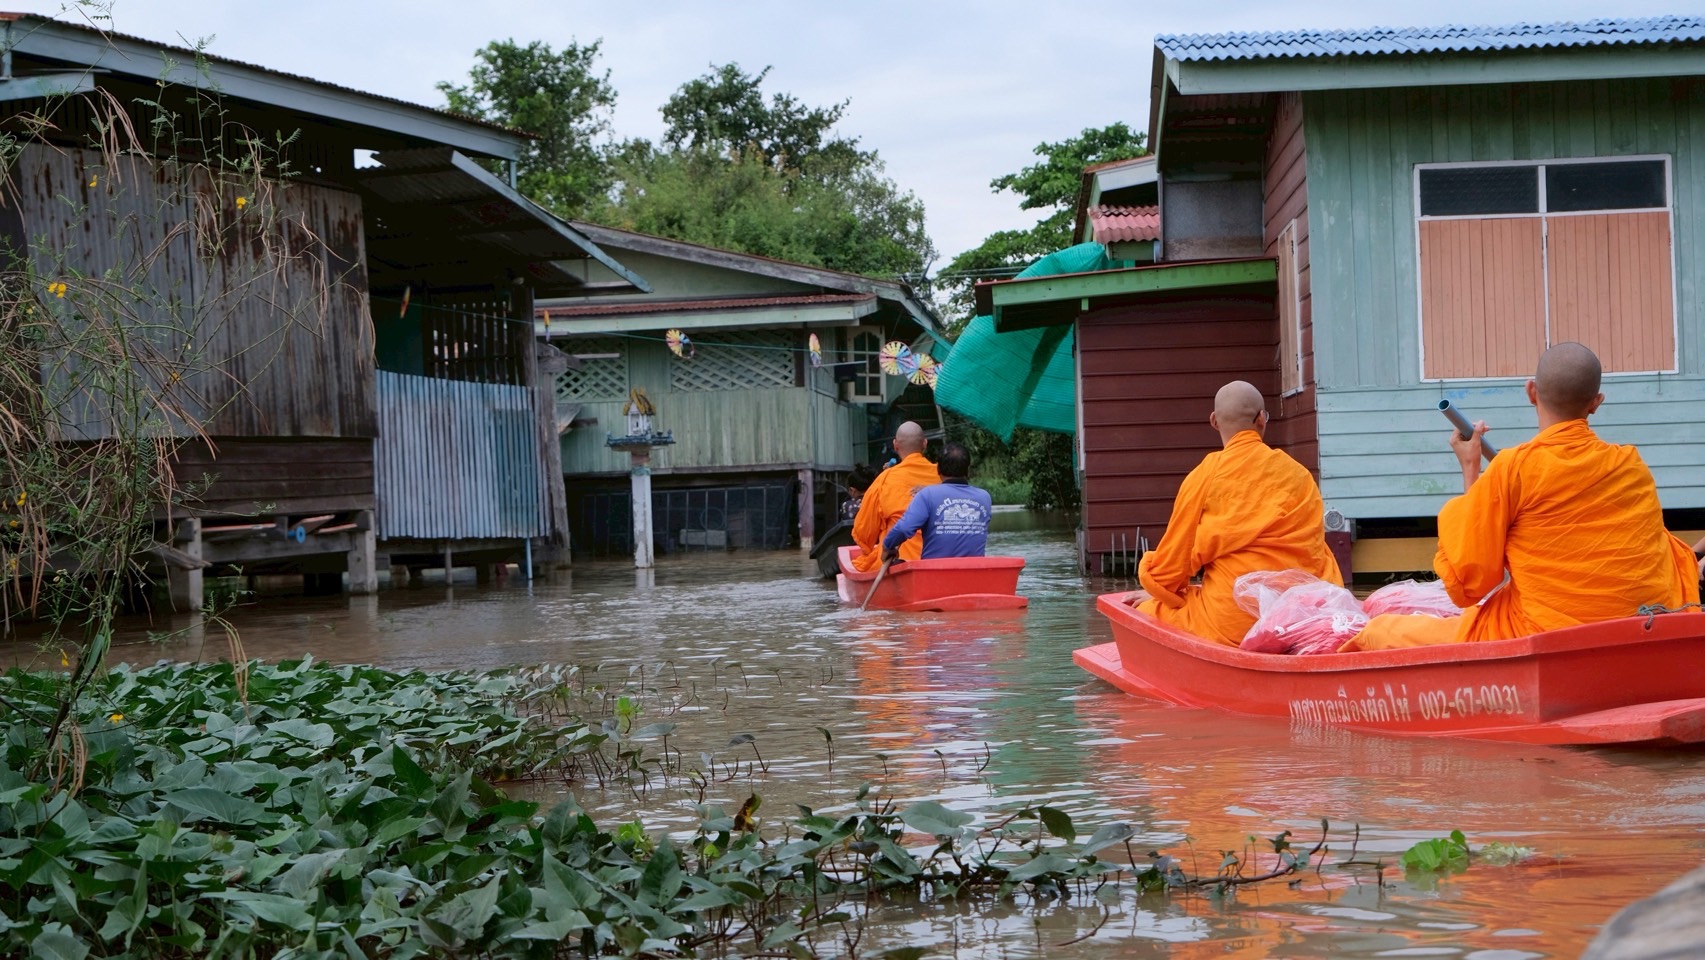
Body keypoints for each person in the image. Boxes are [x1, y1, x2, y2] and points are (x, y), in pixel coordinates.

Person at [1347, 342, 1700, 651]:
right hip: (1640, 624)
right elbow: (1650, 548)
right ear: (1596, 403)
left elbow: (1471, 580)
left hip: (1547, 636)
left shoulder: (1513, 468)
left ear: (1531, 391)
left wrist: (1470, 469)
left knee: (1380, 631)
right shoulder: (1629, 463)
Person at [1132, 380, 1342, 646]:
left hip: (1233, 622)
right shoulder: (1298, 474)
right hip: (1302, 614)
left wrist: (1157, 591)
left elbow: (1175, 560)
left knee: (1148, 610)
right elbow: (1316, 551)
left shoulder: (1204, 476)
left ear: (1214, 421)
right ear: (1262, 420)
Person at [850, 421, 940, 572]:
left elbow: (864, 534)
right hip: (941, 560)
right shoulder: (943, 476)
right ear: (925, 443)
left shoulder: (885, 479)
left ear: (895, 445)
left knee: (865, 561)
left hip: (899, 562)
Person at [881, 443, 993, 562]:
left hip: (934, 573)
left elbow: (904, 529)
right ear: (968, 470)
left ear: (938, 469)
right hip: (973, 572)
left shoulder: (927, 495)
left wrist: (887, 547)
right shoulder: (984, 497)